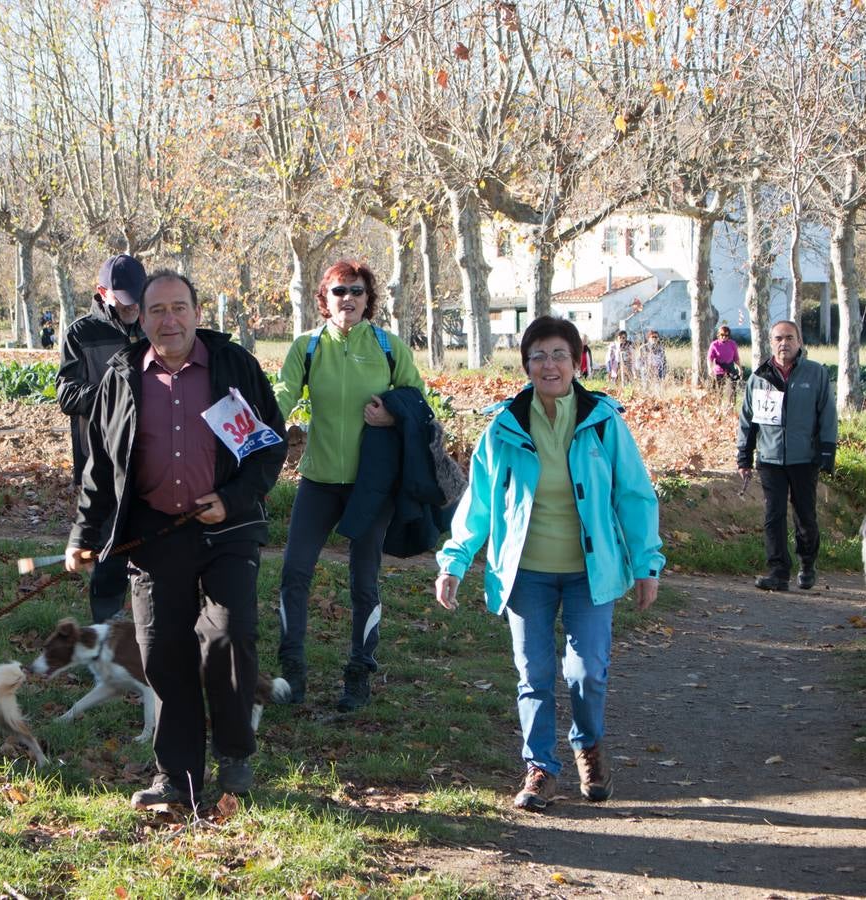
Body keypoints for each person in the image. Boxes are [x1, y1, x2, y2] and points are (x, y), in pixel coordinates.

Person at [65, 270, 287, 810]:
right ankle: (177, 779)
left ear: (198, 312)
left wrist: (231, 499)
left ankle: (234, 759)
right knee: (164, 654)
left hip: (225, 532)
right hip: (152, 537)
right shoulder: (122, 376)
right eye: (157, 310)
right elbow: (99, 466)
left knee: (227, 639)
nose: (169, 320)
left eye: (179, 308)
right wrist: (83, 535)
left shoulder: (233, 367)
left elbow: (267, 447)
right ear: (140, 318)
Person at [434, 316, 664, 812]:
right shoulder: (505, 425)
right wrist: (454, 561)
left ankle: (588, 745)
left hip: (590, 572)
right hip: (525, 573)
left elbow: (635, 495)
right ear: (526, 366)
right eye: (538, 356)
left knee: (586, 672)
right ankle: (540, 767)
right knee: (533, 673)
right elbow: (479, 502)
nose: (549, 364)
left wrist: (647, 563)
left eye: (559, 354)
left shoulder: (603, 420)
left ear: (578, 360)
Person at [273, 260, 424, 712]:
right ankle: (292, 671)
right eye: (339, 291)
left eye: (357, 291)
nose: (349, 299)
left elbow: (418, 401)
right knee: (293, 575)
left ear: (368, 298)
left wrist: (393, 415)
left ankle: (359, 673)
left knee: (364, 582)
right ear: (325, 298)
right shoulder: (308, 347)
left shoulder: (388, 346)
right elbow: (283, 393)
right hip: (318, 481)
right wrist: (258, 420)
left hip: (369, 488)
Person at [56, 255, 146, 623]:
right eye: (124, 299)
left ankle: (146, 634)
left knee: (145, 551)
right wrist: (115, 395)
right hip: (103, 461)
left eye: (138, 297)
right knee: (108, 555)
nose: (133, 307)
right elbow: (67, 394)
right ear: (102, 293)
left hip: (150, 459)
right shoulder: (81, 334)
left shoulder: (153, 325)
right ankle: (104, 635)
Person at [737, 320, 837, 591]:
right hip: (770, 458)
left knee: (805, 515)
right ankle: (779, 571)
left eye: (790, 338)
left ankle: (807, 564)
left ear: (799, 341)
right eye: (779, 338)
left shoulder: (816, 374)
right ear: (771, 342)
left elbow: (828, 414)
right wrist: (744, 457)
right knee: (773, 515)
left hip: (805, 458)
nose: (784, 343)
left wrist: (828, 449)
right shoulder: (758, 377)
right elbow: (747, 420)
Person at [708, 325, 742, 399]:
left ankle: (731, 408)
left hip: (731, 369)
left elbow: (736, 358)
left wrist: (740, 369)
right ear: (718, 335)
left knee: (732, 392)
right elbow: (710, 358)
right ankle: (718, 408)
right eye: (722, 335)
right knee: (718, 393)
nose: (724, 337)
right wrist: (710, 369)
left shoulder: (732, 344)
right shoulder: (714, 344)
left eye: (726, 335)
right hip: (719, 370)